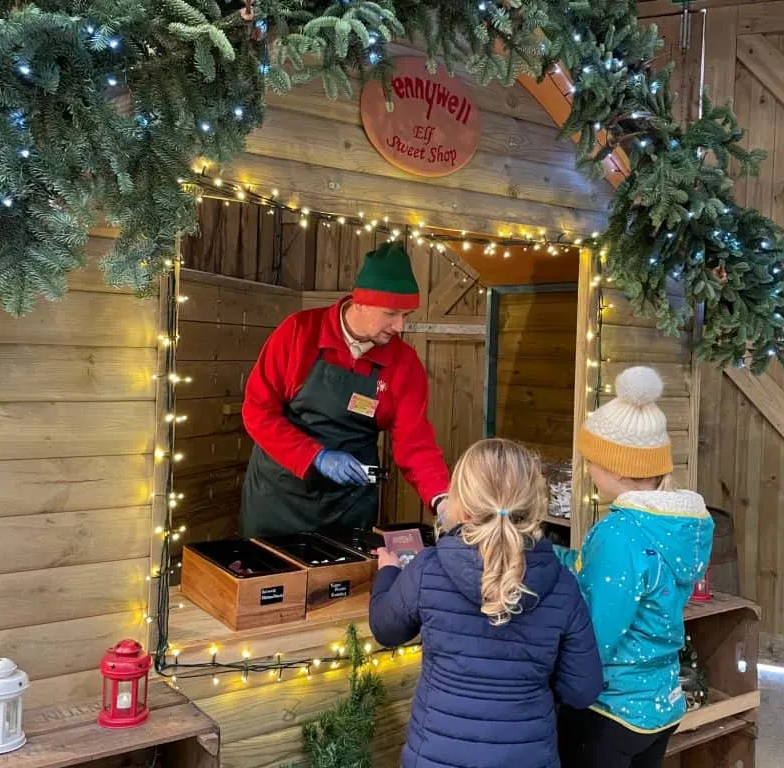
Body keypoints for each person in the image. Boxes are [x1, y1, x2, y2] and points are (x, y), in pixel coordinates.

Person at [368, 438, 603, 768]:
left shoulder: (428, 568)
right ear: (535, 503)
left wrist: (388, 572)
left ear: (461, 503)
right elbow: (583, 690)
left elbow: (385, 629)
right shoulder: (562, 584)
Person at [555, 366, 714, 768]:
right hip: (660, 703)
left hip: (611, 708)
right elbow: (603, 572)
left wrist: (559, 685)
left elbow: (595, 632)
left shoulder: (618, 533)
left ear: (619, 467)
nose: (588, 468)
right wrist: (547, 555)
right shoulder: (676, 526)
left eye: (592, 459)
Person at [239, 241, 450, 538]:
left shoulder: (404, 365)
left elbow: (415, 443)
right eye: (391, 313)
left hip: (348, 506)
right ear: (360, 302)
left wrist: (442, 499)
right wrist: (317, 456)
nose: (400, 326)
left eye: (406, 315)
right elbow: (257, 412)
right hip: (278, 497)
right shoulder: (298, 333)